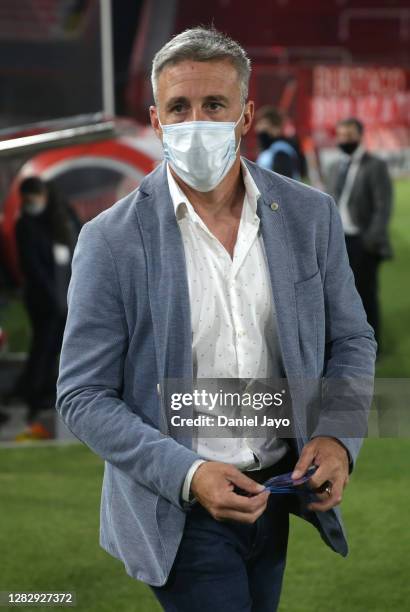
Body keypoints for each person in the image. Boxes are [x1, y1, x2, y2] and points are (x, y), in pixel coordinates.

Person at [56, 27, 376, 612]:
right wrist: (189, 473)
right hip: (180, 510)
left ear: (246, 114)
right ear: (155, 120)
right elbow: (82, 395)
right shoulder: (110, 241)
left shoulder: (310, 216)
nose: (195, 121)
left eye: (214, 105)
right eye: (179, 106)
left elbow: (351, 338)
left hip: (278, 492)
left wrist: (336, 435)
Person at [13, 177, 78, 438]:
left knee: (61, 349)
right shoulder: (25, 226)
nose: (31, 204)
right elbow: (33, 267)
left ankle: (51, 392)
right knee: (44, 347)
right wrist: (53, 299)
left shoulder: (62, 218)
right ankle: (36, 395)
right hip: (45, 301)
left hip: (65, 295)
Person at [325, 118, 393, 347]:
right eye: (341, 135)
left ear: (360, 135)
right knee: (337, 296)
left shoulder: (375, 166)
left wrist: (370, 241)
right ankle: (345, 343)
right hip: (338, 241)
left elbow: (383, 206)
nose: (344, 139)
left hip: (362, 242)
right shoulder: (335, 166)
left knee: (366, 295)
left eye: (349, 135)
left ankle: (374, 345)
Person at [254, 105, 304, 180]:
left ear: (276, 128)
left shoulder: (281, 151)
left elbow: (284, 185)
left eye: (263, 124)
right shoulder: (271, 150)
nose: (257, 129)